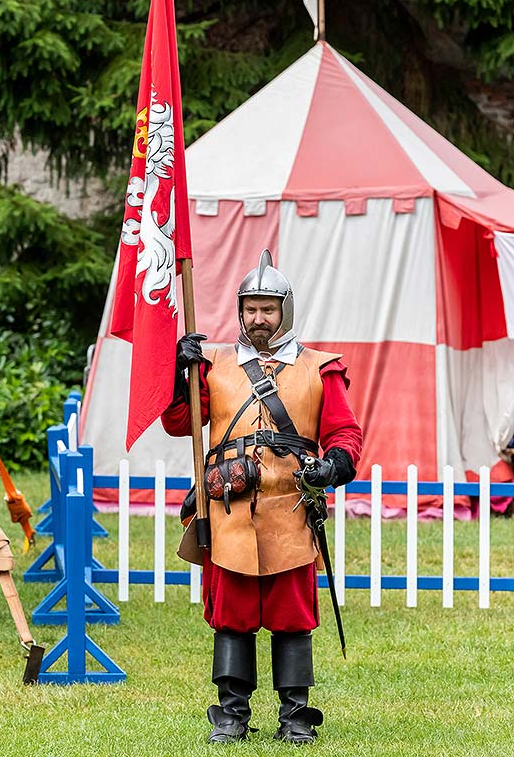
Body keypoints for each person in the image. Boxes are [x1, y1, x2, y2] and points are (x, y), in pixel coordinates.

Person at [162, 249, 362, 745]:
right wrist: (179, 374)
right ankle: (231, 714)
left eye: (268, 308)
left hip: (291, 511)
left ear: (285, 310)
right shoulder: (214, 365)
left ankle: (295, 715)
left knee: (291, 617)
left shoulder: (322, 369)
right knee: (233, 616)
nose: (258, 318)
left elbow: (345, 434)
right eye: (250, 308)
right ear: (240, 310)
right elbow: (180, 423)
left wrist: (332, 466)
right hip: (227, 511)